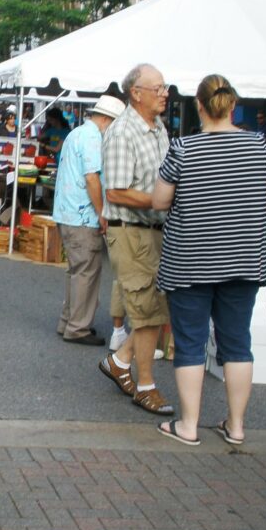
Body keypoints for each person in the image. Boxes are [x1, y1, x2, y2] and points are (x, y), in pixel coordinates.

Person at [151, 74, 266, 446]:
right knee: (238, 344)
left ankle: (189, 425)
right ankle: (237, 426)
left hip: (190, 260)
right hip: (243, 260)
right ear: (232, 105)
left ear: (199, 106)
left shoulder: (183, 149)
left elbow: (160, 201)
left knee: (191, 343)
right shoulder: (262, 147)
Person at [99, 63, 174, 416]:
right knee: (146, 312)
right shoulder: (122, 131)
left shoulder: (157, 127)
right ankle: (146, 386)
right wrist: (163, 200)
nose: (164, 93)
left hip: (154, 230)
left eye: (165, 87)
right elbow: (114, 191)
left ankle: (120, 360)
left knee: (156, 309)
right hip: (131, 232)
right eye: (157, 88)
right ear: (136, 93)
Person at [52, 94, 125, 345]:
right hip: (82, 215)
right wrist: (102, 211)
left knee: (76, 271)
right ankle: (78, 327)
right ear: (106, 119)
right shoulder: (94, 138)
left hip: (67, 212)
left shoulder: (77, 133)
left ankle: (69, 321)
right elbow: (92, 178)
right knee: (87, 272)